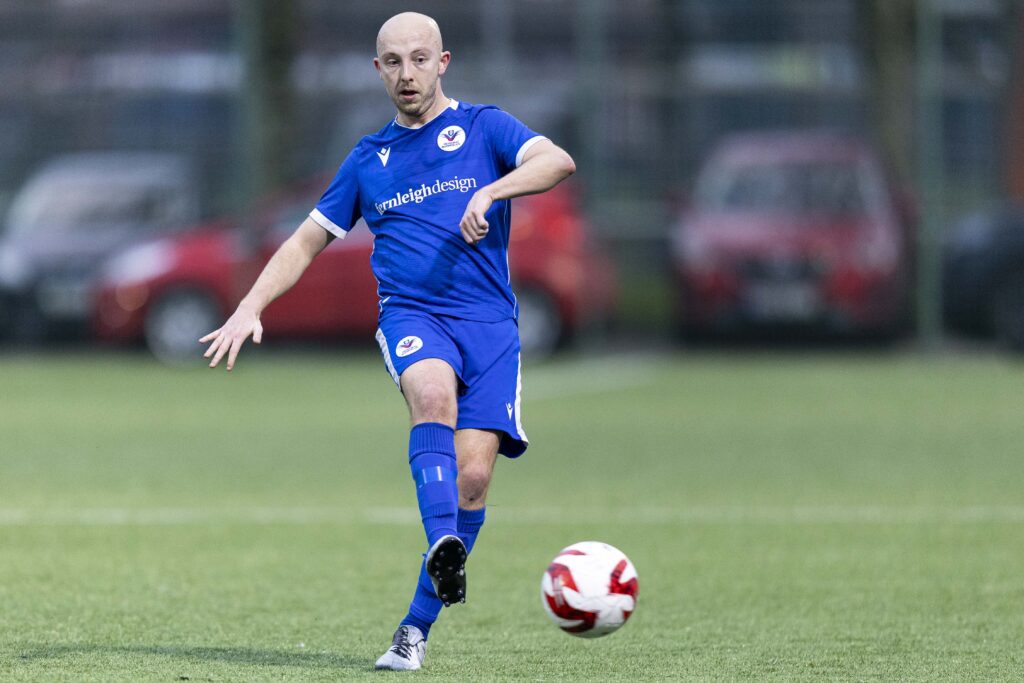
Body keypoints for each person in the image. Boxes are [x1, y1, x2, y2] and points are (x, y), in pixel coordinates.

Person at [200, 11, 575, 672]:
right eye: (394, 61)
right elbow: (306, 237)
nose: (407, 73)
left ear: (443, 61)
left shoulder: (485, 127)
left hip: (490, 326)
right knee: (430, 393)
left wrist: (493, 187)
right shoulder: (368, 160)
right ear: (378, 70)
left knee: (475, 475)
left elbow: (557, 160)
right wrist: (250, 305)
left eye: (419, 58)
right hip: (413, 316)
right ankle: (443, 543)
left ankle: (413, 629)